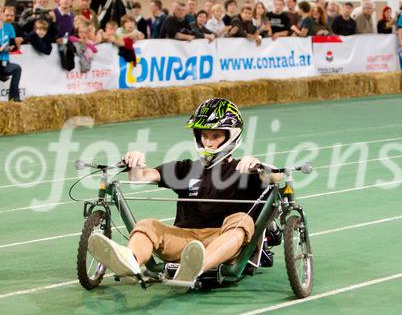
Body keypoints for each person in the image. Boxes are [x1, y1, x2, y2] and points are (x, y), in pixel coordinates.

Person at [87, 98, 282, 291]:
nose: (208, 142)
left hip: (222, 241)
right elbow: (143, 176)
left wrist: (258, 165)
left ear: (231, 136)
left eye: (215, 136)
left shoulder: (243, 170)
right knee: (147, 225)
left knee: (242, 221)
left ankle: (197, 267)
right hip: (185, 241)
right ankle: (130, 261)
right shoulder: (186, 168)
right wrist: (135, 162)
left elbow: (277, 177)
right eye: (204, 135)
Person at [0, 10, 22, 102]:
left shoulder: (9, 27)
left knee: (17, 68)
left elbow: (13, 47)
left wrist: (16, 45)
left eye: (1, 11)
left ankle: (14, 98)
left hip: (4, 61)